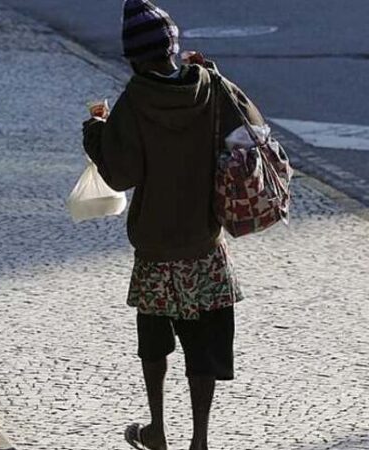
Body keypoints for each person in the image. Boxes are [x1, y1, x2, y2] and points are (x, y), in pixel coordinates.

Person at [81, 1, 266, 449]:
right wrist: (218, 75)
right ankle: (199, 440)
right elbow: (254, 128)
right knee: (203, 347)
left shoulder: (134, 102)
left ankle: (158, 429)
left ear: (133, 58)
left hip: (157, 249)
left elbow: (120, 175)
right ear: (173, 48)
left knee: (155, 344)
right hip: (205, 244)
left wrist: (95, 132)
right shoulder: (209, 86)